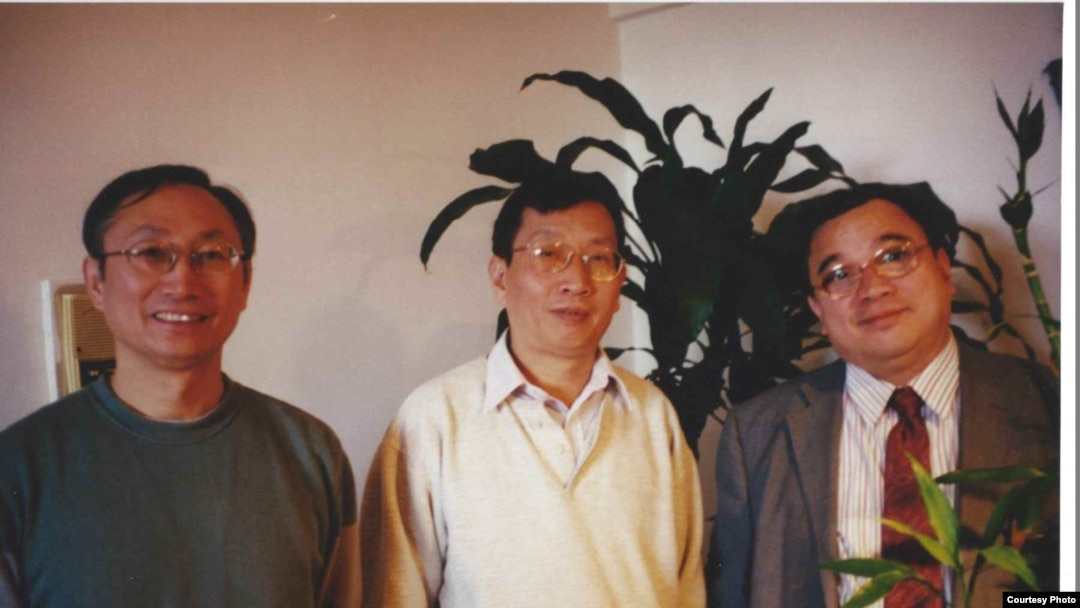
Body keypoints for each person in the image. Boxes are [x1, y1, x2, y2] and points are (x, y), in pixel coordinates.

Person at [0, 165, 360, 608]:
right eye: (151, 252)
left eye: (211, 255)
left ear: (245, 282)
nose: (183, 281)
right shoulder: (18, 468)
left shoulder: (312, 453)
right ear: (96, 281)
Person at [360, 172, 705, 608]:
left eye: (599, 258)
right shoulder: (434, 418)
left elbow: (687, 589)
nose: (577, 280)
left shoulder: (653, 414)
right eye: (549, 254)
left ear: (619, 285)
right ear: (499, 277)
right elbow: (395, 595)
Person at [706, 182, 1057, 608]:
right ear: (818, 309)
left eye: (893, 256)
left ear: (943, 269)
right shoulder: (756, 433)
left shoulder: (1046, 401)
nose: (872, 288)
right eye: (838, 275)